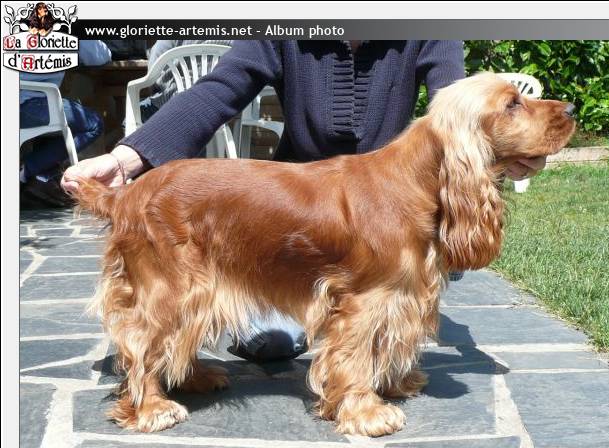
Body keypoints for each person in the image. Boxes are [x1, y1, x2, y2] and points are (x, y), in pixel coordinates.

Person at [62, 40, 546, 361]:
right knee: (270, 341)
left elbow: (456, 108)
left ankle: (381, 362)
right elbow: (218, 92)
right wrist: (127, 159)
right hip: (293, 229)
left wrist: (501, 150)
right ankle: (173, 365)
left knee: (396, 292)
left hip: (393, 210)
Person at [20, 40, 112, 208]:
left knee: (60, 122)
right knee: (93, 124)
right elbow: (100, 56)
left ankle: (41, 178)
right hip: (29, 104)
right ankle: (26, 171)